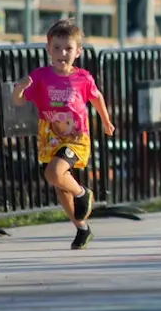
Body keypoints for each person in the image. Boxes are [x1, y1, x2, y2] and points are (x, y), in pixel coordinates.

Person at [11, 20, 115, 250]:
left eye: (68, 48)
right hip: (49, 137)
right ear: (48, 50)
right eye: (56, 48)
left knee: (54, 172)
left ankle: (83, 193)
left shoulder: (83, 78)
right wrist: (18, 88)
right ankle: (82, 228)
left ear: (78, 52)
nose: (62, 53)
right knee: (59, 185)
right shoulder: (40, 76)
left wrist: (106, 121)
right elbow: (18, 101)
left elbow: (96, 98)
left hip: (76, 138)